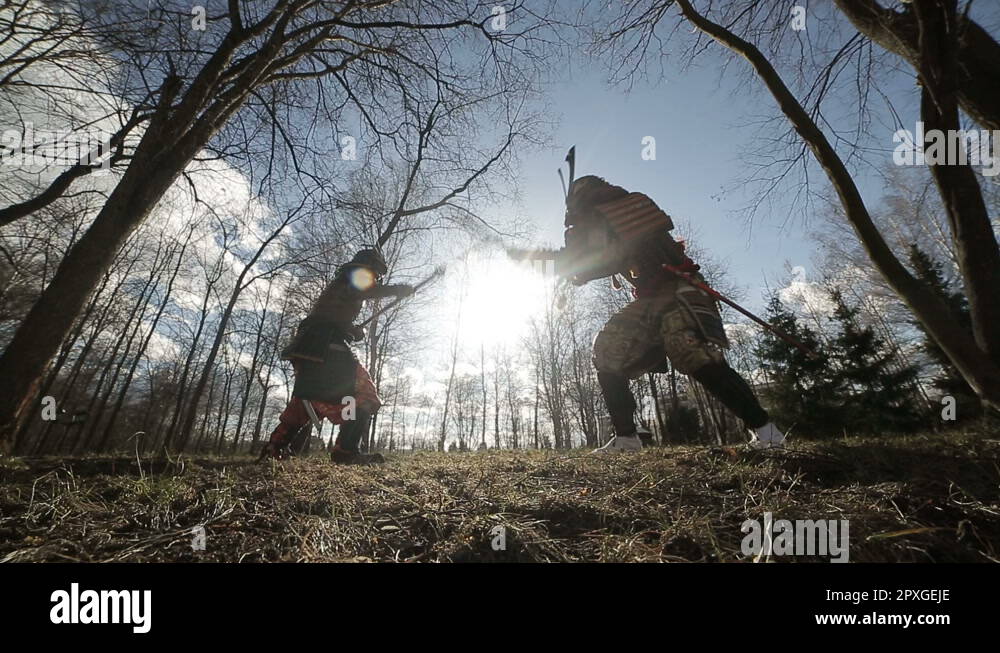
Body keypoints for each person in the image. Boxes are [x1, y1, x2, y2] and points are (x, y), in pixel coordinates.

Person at [524, 173, 786, 452]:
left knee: (693, 354)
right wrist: (564, 260)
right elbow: (594, 258)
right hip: (651, 299)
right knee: (608, 349)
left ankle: (767, 432)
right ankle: (627, 438)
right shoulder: (606, 216)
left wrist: (561, 263)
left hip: (679, 291)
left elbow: (608, 257)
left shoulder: (620, 208)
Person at [261, 248, 414, 464]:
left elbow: (334, 313)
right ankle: (346, 450)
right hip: (325, 345)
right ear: (368, 265)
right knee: (363, 394)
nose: (376, 278)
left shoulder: (342, 284)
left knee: (309, 398)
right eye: (376, 273)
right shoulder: (354, 275)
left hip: (310, 346)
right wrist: (398, 289)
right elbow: (363, 291)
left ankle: (274, 448)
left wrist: (349, 329)